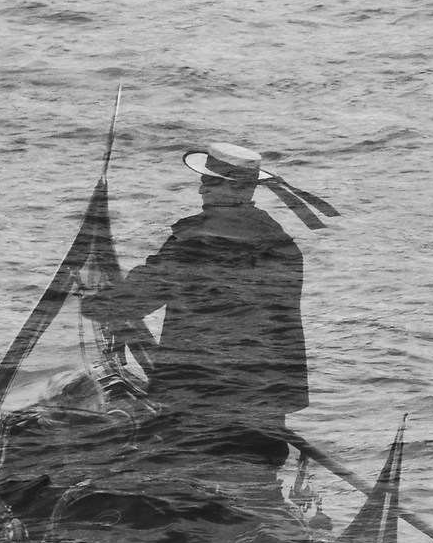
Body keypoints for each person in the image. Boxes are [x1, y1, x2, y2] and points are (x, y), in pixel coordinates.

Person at [82, 142, 336, 470]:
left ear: (233, 189)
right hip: (263, 415)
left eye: (209, 182)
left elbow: (136, 297)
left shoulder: (197, 241)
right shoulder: (283, 246)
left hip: (200, 411)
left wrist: (88, 301)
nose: (201, 188)